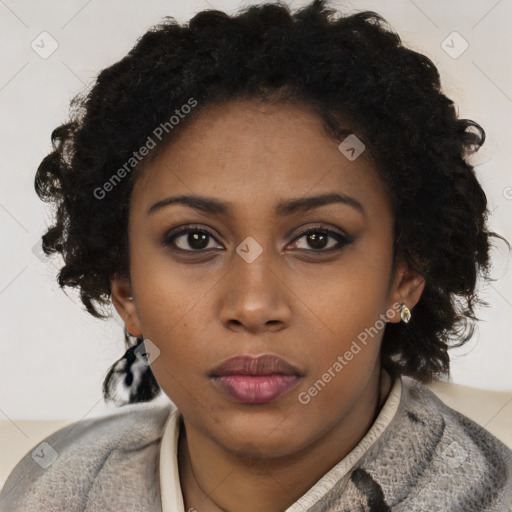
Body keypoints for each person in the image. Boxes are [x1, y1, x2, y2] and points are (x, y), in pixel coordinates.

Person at [1, 0, 511, 510]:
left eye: (318, 239)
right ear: (126, 289)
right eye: (194, 240)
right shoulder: (53, 488)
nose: (252, 305)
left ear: (405, 276)